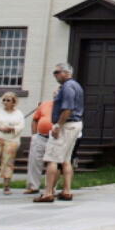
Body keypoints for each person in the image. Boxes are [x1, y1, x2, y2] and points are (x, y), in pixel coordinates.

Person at [35, 62, 83, 203]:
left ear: (66, 73)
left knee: (52, 159)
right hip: (75, 124)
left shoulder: (68, 87)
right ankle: (66, 191)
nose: (55, 75)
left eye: (57, 72)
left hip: (66, 125)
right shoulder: (76, 85)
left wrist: (58, 126)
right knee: (66, 159)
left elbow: (67, 109)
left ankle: (48, 192)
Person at [23, 97, 54, 194]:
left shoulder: (64, 106)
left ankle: (50, 188)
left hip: (55, 139)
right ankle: (33, 186)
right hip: (40, 137)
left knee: (52, 163)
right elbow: (35, 120)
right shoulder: (44, 104)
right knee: (35, 162)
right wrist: (34, 135)